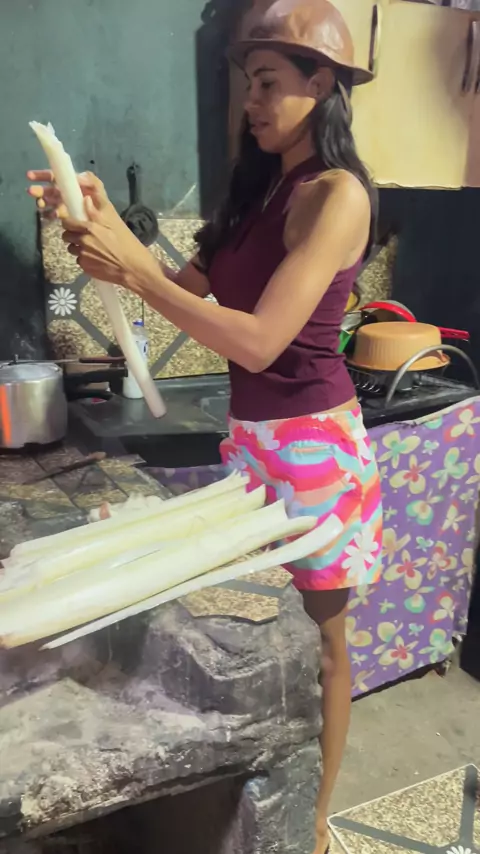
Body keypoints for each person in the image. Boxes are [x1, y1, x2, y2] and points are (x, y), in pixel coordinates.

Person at [28, 1, 383, 850]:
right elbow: (176, 292)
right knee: (260, 643)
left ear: (320, 83)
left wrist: (133, 273)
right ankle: (249, 808)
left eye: (268, 83)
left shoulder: (337, 196)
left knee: (323, 649)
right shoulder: (256, 191)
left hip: (316, 453)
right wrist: (97, 223)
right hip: (255, 447)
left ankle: (313, 820)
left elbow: (258, 342)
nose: (250, 102)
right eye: (246, 84)